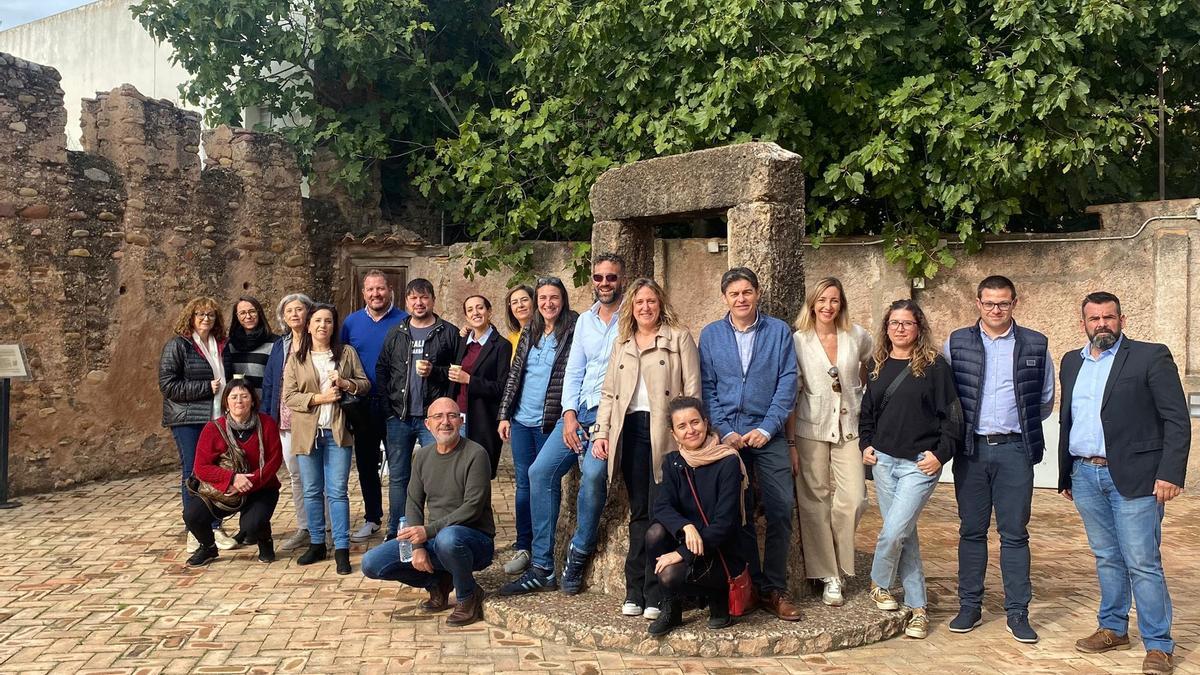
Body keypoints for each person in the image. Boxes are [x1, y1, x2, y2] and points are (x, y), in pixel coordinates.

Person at [1058, 292, 1189, 675]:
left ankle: (1159, 645)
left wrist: (1170, 473)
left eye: (1109, 317)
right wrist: (1066, 474)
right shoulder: (1071, 361)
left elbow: (1177, 420)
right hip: (1085, 474)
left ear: (1122, 319)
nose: (1102, 324)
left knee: (1143, 561)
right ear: (1083, 323)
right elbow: (1070, 420)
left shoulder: (1151, 356)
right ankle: (1114, 628)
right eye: (1094, 318)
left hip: (1138, 478)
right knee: (1106, 557)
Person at [500, 254, 625, 597]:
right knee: (539, 473)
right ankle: (542, 566)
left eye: (610, 277)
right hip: (578, 411)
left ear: (621, 279)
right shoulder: (585, 321)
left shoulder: (630, 317)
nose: (604, 283)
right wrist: (568, 414)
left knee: (595, 474)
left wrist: (603, 424)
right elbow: (573, 371)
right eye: (598, 277)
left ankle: (579, 552)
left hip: (610, 415)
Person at [943, 276, 1054, 643]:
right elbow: (945, 393)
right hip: (971, 451)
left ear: (1014, 303)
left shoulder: (1035, 343)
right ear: (977, 303)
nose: (995, 309)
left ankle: (1017, 612)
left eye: (1003, 303)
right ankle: (969, 606)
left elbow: (1045, 400)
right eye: (989, 302)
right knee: (971, 531)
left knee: (1014, 534)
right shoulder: (956, 342)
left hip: (1014, 450)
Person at [592, 278, 701, 619]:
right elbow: (609, 393)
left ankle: (658, 592)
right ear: (631, 307)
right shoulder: (622, 342)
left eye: (651, 301)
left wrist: (688, 435)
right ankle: (634, 590)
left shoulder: (679, 338)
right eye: (639, 302)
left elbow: (693, 391)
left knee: (662, 513)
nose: (645, 307)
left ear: (660, 303)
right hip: (631, 432)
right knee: (639, 513)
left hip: (666, 434)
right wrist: (601, 433)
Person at [698, 267, 800, 621]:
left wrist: (769, 428)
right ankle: (749, 584)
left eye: (747, 292)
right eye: (734, 294)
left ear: (757, 293)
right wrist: (724, 431)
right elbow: (707, 388)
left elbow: (788, 382)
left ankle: (775, 588)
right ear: (725, 298)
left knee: (781, 508)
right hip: (728, 438)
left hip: (766, 434)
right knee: (736, 512)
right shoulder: (711, 335)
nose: (741, 299)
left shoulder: (779, 331)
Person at [859, 299, 963, 640]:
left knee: (894, 532)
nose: (900, 328)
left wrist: (940, 455)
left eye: (907, 323)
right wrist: (866, 444)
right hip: (885, 463)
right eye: (894, 323)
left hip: (920, 464)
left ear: (919, 328)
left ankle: (879, 582)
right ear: (886, 328)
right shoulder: (878, 364)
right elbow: (868, 413)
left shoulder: (935, 367)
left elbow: (953, 417)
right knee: (905, 534)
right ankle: (918, 610)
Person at [361, 398, 495, 627]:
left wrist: (428, 531)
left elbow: (472, 507)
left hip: (474, 540)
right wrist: (417, 546)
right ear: (427, 424)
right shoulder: (422, 456)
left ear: (461, 421)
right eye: (438, 417)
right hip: (435, 538)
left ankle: (467, 596)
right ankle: (438, 582)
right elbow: (413, 502)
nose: (446, 422)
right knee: (371, 563)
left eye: (452, 416)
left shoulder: (476, 454)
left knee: (448, 538)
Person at [786, 277, 872, 607]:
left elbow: (870, 366)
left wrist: (856, 391)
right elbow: (793, 393)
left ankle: (842, 558)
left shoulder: (857, 336)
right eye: (822, 300)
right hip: (811, 426)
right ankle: (828, 575)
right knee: (814, 500)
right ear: (812, 303)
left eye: (834, 300)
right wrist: (791, 442)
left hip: (850, 425)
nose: (827, 306)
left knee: (854, 498)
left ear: (842, 304)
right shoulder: (798, 341)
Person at [644, 397, 748, 637]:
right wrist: (686, 526)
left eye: (695, 422)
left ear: (706, 422)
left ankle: (717, 597)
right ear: (674, 434)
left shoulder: (728, 461)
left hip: (720, 552)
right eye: (682, 426)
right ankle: (672, 608)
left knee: (671, 569)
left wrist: (680, 554)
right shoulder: (673, 462)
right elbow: (662, 506)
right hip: (690, 542)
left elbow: (725, 524)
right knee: (654, 533)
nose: (690, 430)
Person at [496, 277, 578, 575]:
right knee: (524, 485)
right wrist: (505, 413)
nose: (548, 303)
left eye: (553, 297)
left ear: (563, 299)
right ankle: (524, 546)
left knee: (545, 482)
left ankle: (549, 548)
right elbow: (515, 374)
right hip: (521, 419)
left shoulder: (573, 327)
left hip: (550, 420)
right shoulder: (530, 328)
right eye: (543, 298)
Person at [283, 303, 371, 575]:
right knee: (311, 491)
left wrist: (346, 384)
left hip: (337, 433)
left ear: (334, 326)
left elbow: (364, 384)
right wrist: (319, 398)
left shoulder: (345, 353)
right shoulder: (297, 357)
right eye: (318, 321)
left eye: (329, 321)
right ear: (308, 326)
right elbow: (289, 397)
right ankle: (317, 543)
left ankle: (342, 548)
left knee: (337, 492)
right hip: (307, 433)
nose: (323, 326)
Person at [377, 279, 461, 540]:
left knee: (438, 476)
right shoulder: (396, 332)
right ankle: (397, 531)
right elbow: (382, 369)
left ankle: (439, 531)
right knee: (399, 477)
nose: (419, 303)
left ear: (433, 300)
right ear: (406, 302)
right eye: (413, 298)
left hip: (433, 418)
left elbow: (458, 373)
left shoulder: (448, 332)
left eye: (424, 297)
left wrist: (435, 373)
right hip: (399, 418)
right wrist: (387, 406)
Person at [159, 296, 237, 553]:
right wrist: (206, 387)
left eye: (211, 315)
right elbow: (168, 385)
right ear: (190, 318)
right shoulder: (178, 346)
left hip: (216, 418)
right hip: (188, 419)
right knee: (193, 473)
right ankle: (195, 529)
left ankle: (214, 525)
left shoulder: (220, 345)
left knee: (215, 472)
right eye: (201, 315)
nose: (206, 319)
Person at [185, 378, 283, 567]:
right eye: (234, 397)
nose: (239, 401)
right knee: (192, 515)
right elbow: (201, 467)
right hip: (226, 489)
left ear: (253, 401)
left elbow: (274, 461)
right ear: (226, 402)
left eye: (244, 396)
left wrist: (247, 483)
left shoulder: (267, 424)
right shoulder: (213, 428)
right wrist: (231, 479)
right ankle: (208, 547)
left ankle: (265, 539)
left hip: (260, 487)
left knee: (250, 527)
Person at [340, 270, 407, 542]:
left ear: (389, 290)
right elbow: (341, 357)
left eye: (380, 289)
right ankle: (372, 518)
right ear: (363, 292)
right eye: (370, 290)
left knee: (399, 467)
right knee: (367, 465)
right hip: (362, 405)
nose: (375, 294)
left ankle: (400, 521)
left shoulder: (404, 320)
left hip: (395, 405)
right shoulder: (351, 323)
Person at [260, 293, 319, 551]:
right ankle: (304, 527)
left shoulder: (317, 340)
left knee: (317, 476)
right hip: (284, 419)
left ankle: (324, 526)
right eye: (289, 311)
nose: (295, 314)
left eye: (299, 309)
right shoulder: (280, 345)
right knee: (296, 475)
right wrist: (268, 419)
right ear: (283, 317)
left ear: (308, 313)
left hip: (311, 417)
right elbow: (271, 382)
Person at [450, 294, 512, 477]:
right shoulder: (463, 342)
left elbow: (502, 387)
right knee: (457, 474)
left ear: (489, 311)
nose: (475, 312)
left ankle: (482, 507)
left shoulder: (501, 345)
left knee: (480, 474)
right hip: (457, 417)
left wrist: (469, 379)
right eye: (470, 310)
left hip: (482, 418)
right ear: (466, 317)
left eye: (480, 308)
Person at [224, 296, 277, 398]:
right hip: (239, 406)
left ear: (259, 313)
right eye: (242, 313)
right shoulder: (230, 345)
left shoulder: (275, 343)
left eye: (252, 311)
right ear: (237, 317)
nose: (248, 316)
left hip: (265, 405)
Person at [504, 284, 535, 356]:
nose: (520, 305)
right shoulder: (510, 339)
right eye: (514, 302)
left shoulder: (546, 332)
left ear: (534, 302)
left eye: (524, 300)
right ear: (510, 309)